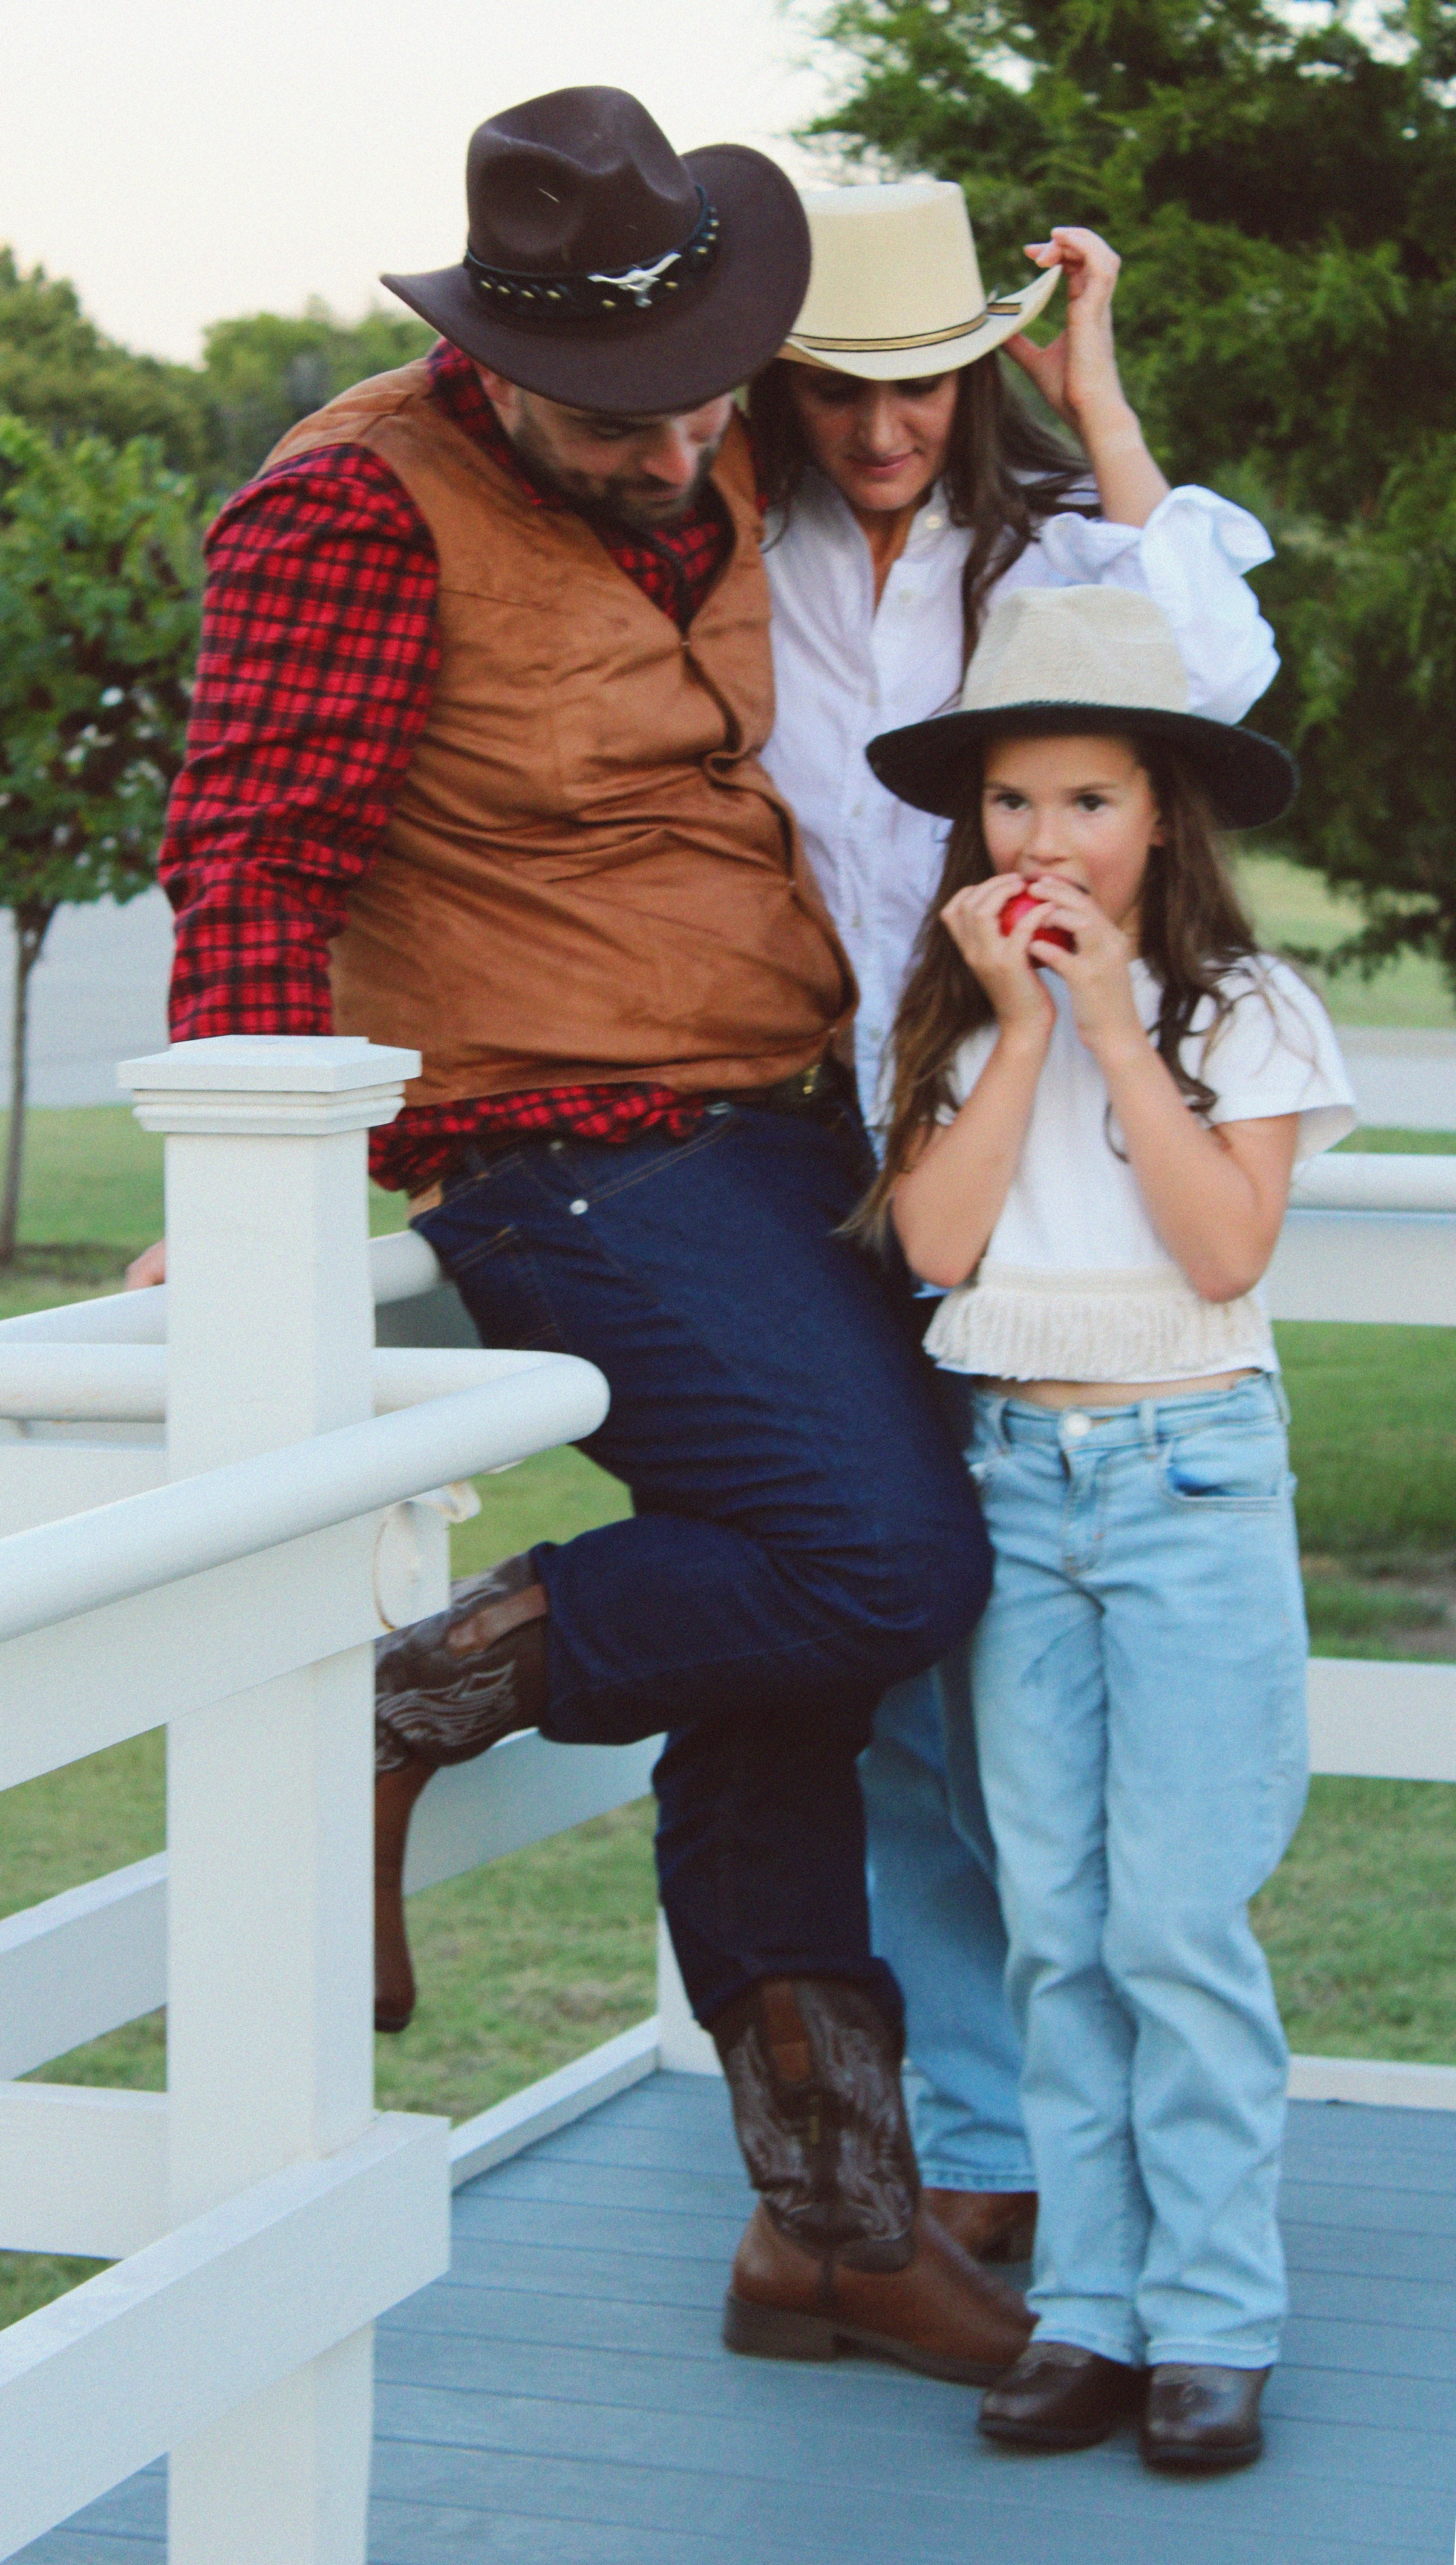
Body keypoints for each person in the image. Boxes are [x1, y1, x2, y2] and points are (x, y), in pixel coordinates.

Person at [147, 85, 1031, 2386]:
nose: (676, 460)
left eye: (699, 401)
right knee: (881, 1562)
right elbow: (253, 854)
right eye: (614, 420)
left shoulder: (718, 427)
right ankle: (402, 1700)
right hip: (562, 1147)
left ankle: (828, 2230)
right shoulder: (351, 501)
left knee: (797, 1670)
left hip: (784, 1128)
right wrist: (237, 1183)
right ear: (493, 350)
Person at [752, 176, 1284, 2263]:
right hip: (861, 1131)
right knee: (901, 1657)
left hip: (1064, 1132)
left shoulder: (1060, 548)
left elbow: (1223, 665)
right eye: (835, 391)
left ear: (977, 367)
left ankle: (1127, 2186)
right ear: (778, 385)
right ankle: (982, 2146)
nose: (883, 434)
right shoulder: (738, 554)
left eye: (921, 387)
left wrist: (1102, 397)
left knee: (1068, 1716)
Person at [862, 582, 1356, 2470]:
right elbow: (934, 1248)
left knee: (1172, 1919)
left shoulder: (1244, 1007)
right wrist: (1011, 1033)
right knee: (1052, 1929)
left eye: (1082, 802)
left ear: (1160, 811)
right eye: (1007, 807)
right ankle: (1088, 2308)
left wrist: (1110, 1029)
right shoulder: (946, 1012)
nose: (1040, 841)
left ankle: (1212, 2316)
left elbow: (1223, 1248)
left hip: (1187, 1484)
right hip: (1017, 1479)